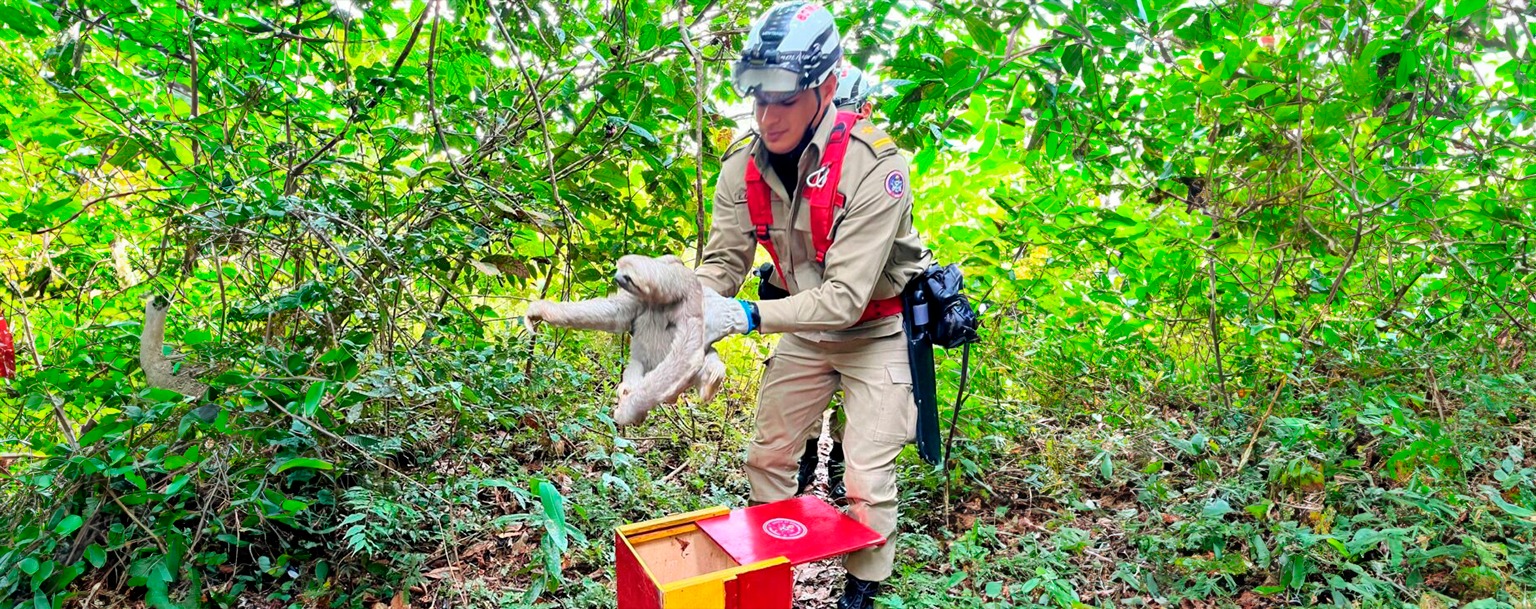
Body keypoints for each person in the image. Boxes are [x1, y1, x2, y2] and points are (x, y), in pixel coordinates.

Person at [696, 3, 931, 607]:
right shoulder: (741, 165)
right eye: (758, 99)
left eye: (784, 99)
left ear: (825, 89)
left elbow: (847, 299)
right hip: (804, 324)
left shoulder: (876, 168)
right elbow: (725, 264)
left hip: (874, 328)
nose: (768, 117)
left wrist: (747, 316)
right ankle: (775, 574)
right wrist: (691, 304)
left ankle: (862, 587)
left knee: (866, 476)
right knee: (768, 456)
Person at [789, 61, 879, 505]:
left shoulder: (874, 161)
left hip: (864, 312)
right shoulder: (803, 158)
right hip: (810, 307)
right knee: (802, 400)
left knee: (854, 403)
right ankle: (805, 467)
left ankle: (837, 468)